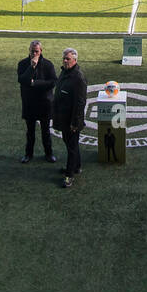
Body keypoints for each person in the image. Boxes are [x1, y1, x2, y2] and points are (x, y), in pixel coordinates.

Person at [16, 40, 56, 163]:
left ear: (41, 51)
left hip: (44, 104)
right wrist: (32, 68)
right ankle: (28, 154)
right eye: (32, 51)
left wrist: (35, 83)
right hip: (29, 103)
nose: (34, 53)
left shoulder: (48, 65)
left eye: (36, 51)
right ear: (29, 50)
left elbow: (53, 82)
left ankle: (49, 154)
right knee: (30, 132)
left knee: (46, 131)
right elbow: (22, 80)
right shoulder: (23, 64)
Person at [52, 47, 86, 188]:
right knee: (70, 143)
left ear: (75, 60)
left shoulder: (78, 78)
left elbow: (80, 103)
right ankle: (76, 166)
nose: (65, 61)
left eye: (68, 59)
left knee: (71, 146)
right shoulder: (65, 72)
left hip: (71, 120)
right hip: (63, 116)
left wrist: (75, 123)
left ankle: (69, 175)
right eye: (64, 58)